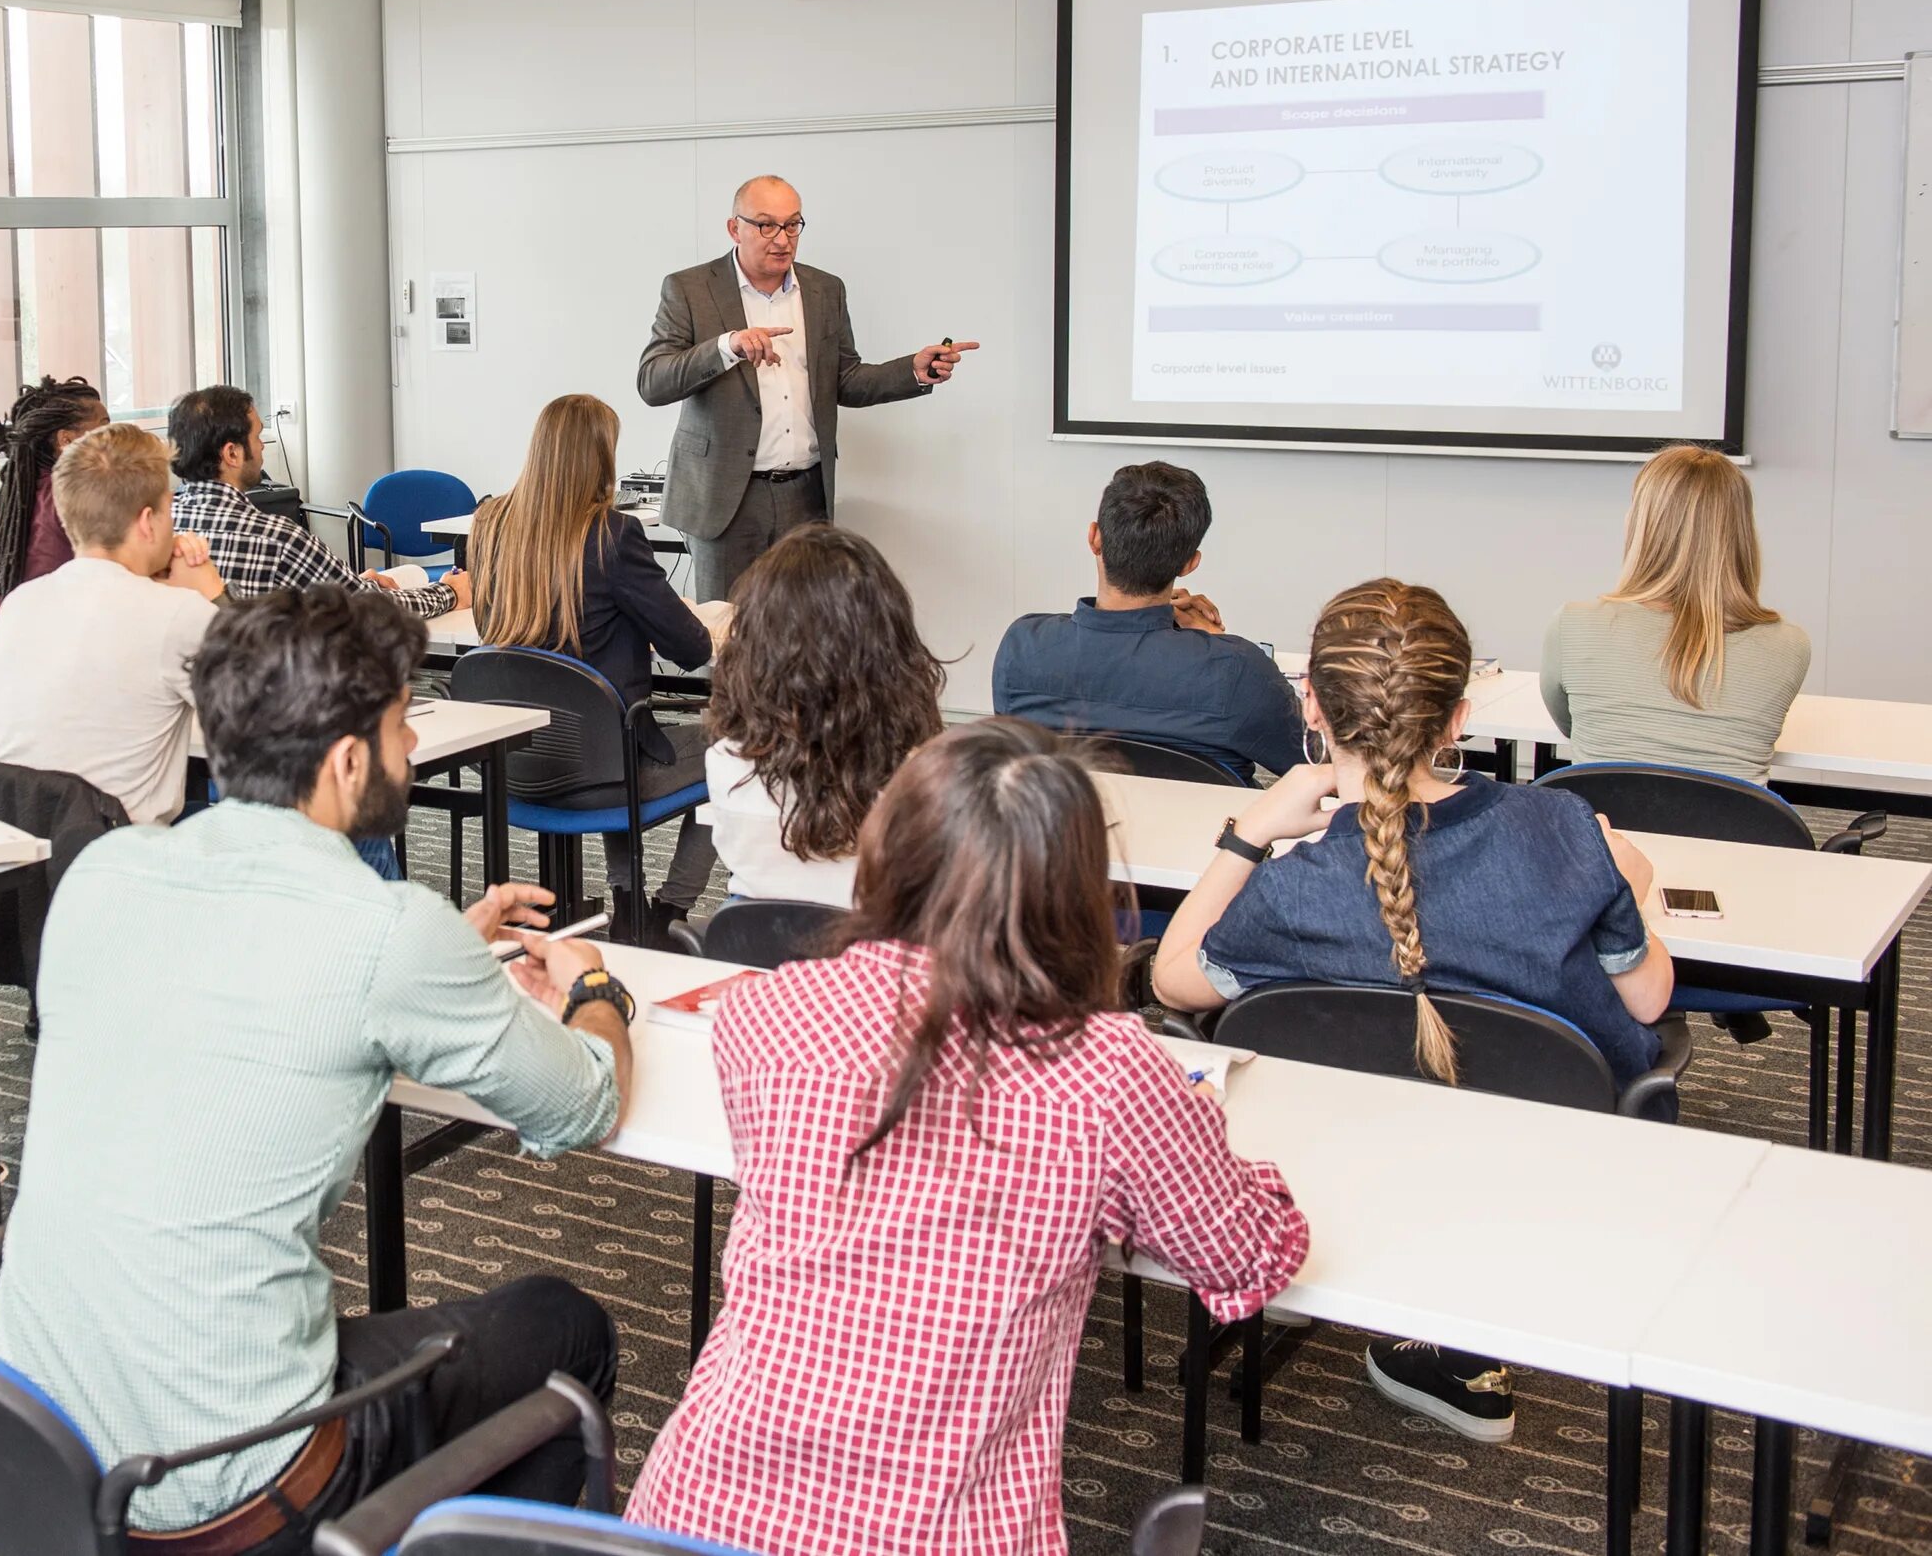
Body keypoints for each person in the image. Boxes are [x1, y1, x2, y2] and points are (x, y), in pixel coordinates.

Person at [0, 586, 631, 1553]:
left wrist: (438, 957)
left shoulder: (105, 869)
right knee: (563, 1328)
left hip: (36, 1451)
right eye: (402, 723)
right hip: (230, 1482)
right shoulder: (382, 932)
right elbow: (586, 1103)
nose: (413, 745)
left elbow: (233, 987)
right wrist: (594, 992)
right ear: (345, 761)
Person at [625, 720, 1308, 1556]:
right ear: (1074, 892)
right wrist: (1203, 1142)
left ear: (888, 856)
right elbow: (1248, 1256)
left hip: (693, 1516)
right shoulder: (1106, 1070)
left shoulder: (769, 1013)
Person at [1155, 578, 1674, 1443]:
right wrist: (1629, 879)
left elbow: (1172, 979)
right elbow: (1650, 997)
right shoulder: (1562, 830)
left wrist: (1251, 830)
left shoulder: (1290, 892)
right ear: (1458, 714)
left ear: (1311, 705)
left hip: (1336, 1170)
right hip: (1554, 1190)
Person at [636, 173, 976, 599]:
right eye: (766, 225)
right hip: (726, 499)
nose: (782, 238)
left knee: (805, 638)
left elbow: (846, 380)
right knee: (727, 640)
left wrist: (912, 370)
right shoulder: (689, 289)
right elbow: (653, 381)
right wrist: (727, 347)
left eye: (792, 224)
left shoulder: (824, 289)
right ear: (733, 228)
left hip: (805, 496)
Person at [469, 394, 719, 937]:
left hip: (514, 766)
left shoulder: (488, 524)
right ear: (600, 459)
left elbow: (496, 629)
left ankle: (626, 903)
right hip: (604, 772)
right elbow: (693, 649)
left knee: (606, 725)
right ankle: (668, 913)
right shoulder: (614, 534)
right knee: (746, 746)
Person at [991, 460, 1302, 782]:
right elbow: (1321, 762)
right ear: (1189, 563)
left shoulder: (1023, 646)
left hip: (1071, 828)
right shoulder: (1236, 668)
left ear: (1095, 538)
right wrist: (1215, 641)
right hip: (1206, 833)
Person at [0, 422, 225, 826]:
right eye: (169, 510)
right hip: (127, 861)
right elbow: (274, 710)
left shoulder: (18, 604)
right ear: (148, 521)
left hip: (29, 860)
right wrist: (212, 592)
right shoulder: (178, 614)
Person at [700, 522, 946, 911]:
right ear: (888, 644)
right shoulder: (923, 784)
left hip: (755, 960)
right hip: (879, 963)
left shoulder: (726, 764)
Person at [1542, 444, 1810, 784]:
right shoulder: (1790, 644)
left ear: (1642, 526)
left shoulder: (1572, 624)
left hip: (1602, 832)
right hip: (1732, 836)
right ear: (1740, 533)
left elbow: (1572, 726)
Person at [168, 383, 463, 619]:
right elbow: (370, 611)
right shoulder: (277, 539)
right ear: (232, 454)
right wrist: (448, 593)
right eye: (257, 436)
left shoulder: (157, 532)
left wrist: (346, 585)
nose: (261, 447)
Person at [0, 375, 111, 610]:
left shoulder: (23, 490)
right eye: (103, 427)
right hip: (52, 627)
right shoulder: (74, 496)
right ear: (66, 440)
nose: (113, 437)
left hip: (6, 626)